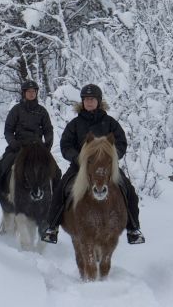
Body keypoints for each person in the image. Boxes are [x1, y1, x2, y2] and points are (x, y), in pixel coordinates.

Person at [41, 83, 145, 245]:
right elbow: (66, 145)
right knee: (62, 189)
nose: (89, 102)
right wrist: (77, 158)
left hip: (106, 168)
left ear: (99, 101)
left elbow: (121, 143)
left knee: (128, 189)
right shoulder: (74, 124)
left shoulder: (110, 123)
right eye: (86, 99)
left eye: (92, 99)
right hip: (80, 167)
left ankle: (133, 229)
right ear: (82, 102)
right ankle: (52, 227)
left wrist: (110, 157)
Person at [0, 79, 55, 213]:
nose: (32, 94)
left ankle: (57, 200)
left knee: (56, 170)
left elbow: (48, 130)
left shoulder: (42, 111)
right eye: (29, 92)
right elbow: (8, 130)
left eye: (34, 91)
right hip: (18, 147)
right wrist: (14, 144)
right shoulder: (16, 110)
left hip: (37, 149)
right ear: (24, 93)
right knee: (2, 166)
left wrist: (46, 148)